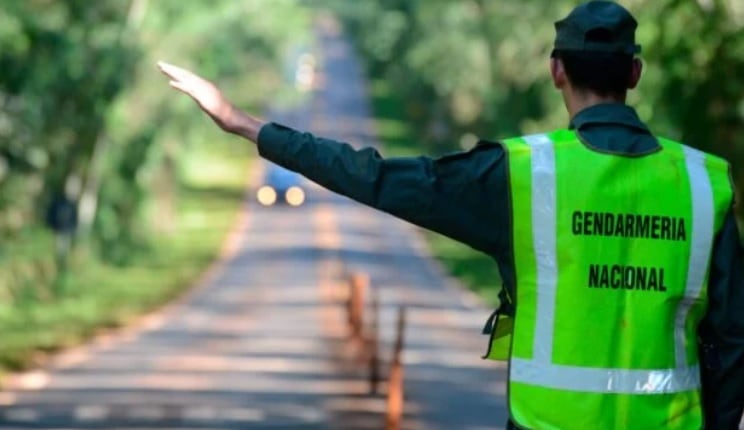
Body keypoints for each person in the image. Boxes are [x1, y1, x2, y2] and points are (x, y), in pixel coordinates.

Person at [158, 1, 743, 428]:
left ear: (556, 71)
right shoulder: (701, 183)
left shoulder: (522, 176)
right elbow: (732, 339)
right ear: (634, 75)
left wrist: (245, 124)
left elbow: (377, 177)